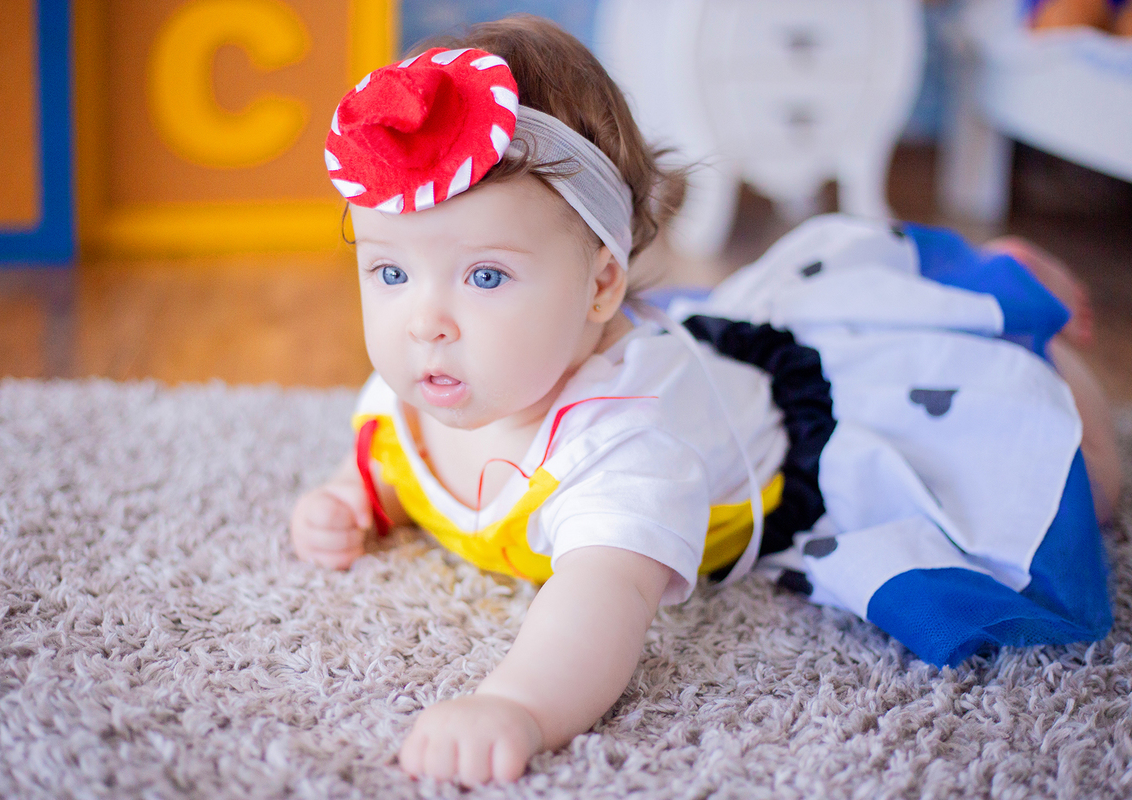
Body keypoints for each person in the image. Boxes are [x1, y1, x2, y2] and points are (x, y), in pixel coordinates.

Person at [290, 16, 1121, 786]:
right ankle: (984, 285)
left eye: (485, 275)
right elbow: (388, 453)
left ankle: (1013, 308)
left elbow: (600, 600)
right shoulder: (423, 382)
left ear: (600, 283)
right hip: (700, 341)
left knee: (1067, 462)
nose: (424, 322)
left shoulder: (622, 446)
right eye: (390, 272)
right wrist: (348, 495)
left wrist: (520, 704)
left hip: (805, 418)